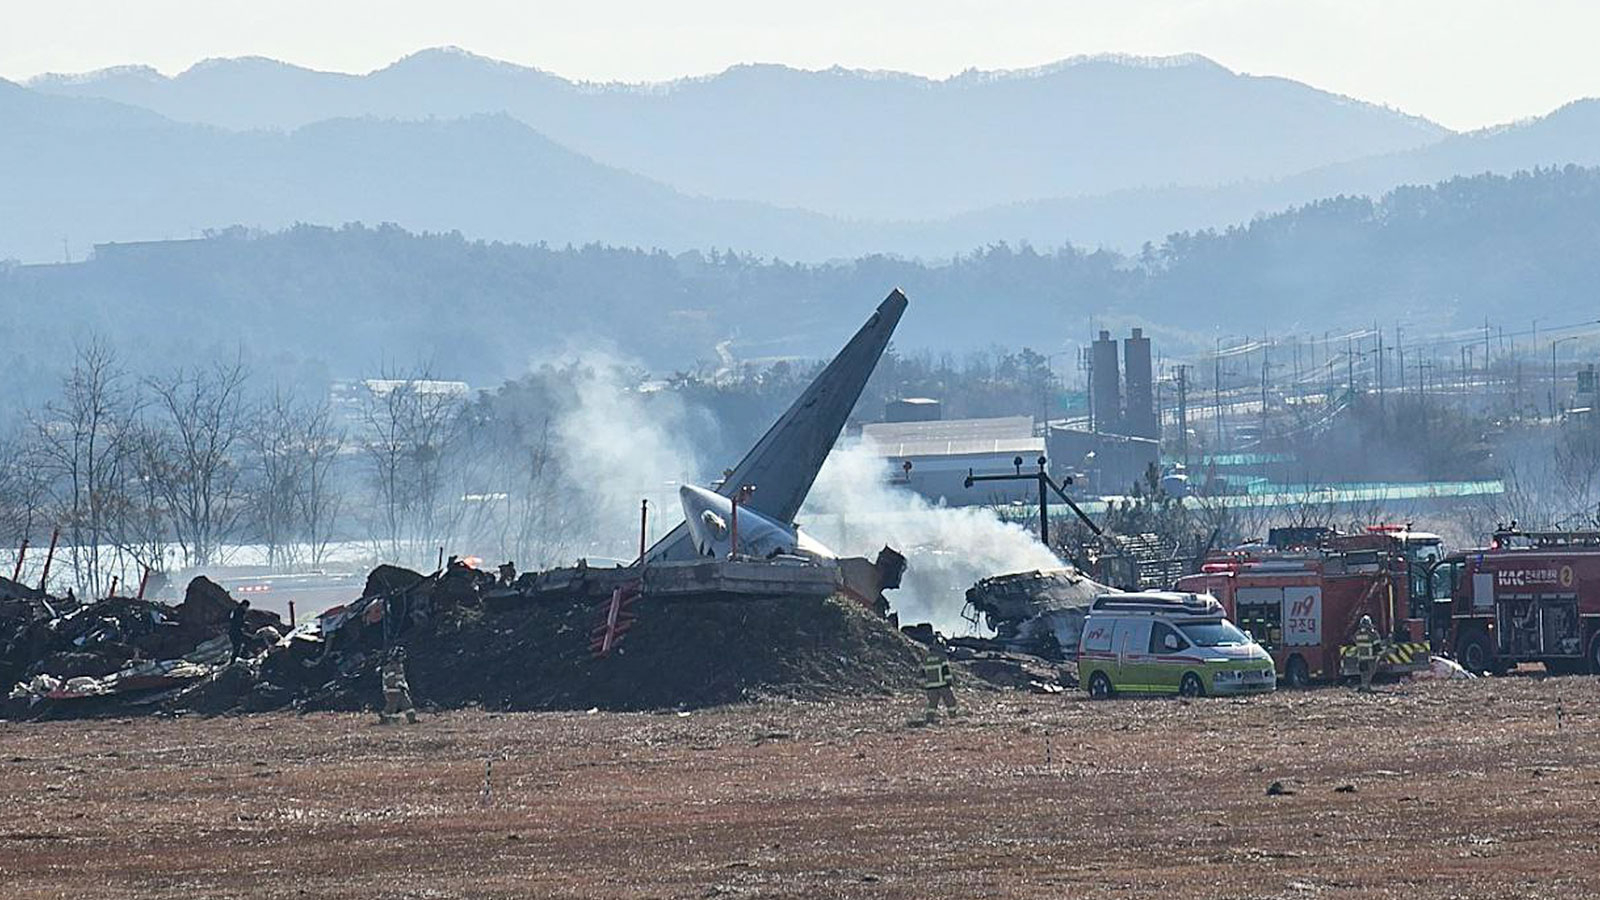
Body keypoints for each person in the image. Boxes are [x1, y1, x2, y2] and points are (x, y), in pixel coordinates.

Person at [379, 647, 418, 724]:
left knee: (408, 705)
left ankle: (412, 720)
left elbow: (401, 678)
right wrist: (398, 685)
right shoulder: (390, 666)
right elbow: (390, 680)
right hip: (392, 691)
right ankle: (385, 719)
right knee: (391, 707)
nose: (403, 658)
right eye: (401, 656)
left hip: (400, 690)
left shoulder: (400, 666)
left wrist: (405, 686)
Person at [921, 645, 958, 722]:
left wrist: (924, 684)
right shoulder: (942, 657)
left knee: (932, 705)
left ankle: (929, 720)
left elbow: (922, 673)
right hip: (942, 685)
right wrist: (949, 682)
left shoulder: (926, 659)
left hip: (931, 687)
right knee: (951, 702)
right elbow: (946, 671)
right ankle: (953, 718)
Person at [1353, 614, 1381, 692]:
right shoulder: (1372, 634)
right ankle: (1366, 687)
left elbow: (1355, 641)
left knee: (1363, 673)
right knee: (1370, 672)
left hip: (1361, 657)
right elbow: (1377, 646)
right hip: (1370, 657)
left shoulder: (1357, 633)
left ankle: (1364, 685)